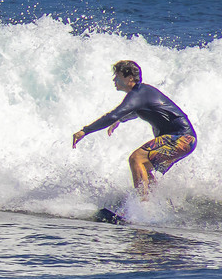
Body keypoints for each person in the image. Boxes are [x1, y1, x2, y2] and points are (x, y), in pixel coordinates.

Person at [72, 60, 196, 200]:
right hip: (186, 140)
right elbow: (136, 110)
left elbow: (113, 114)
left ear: (130, 77)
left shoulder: (138, 94)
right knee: (143, 167)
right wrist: (120, 120)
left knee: (136, 159)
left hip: (181, 138)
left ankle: (142, 206)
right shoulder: (143, 92)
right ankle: (157, 205)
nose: (114, 80)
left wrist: (85, 131)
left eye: (117, 76)